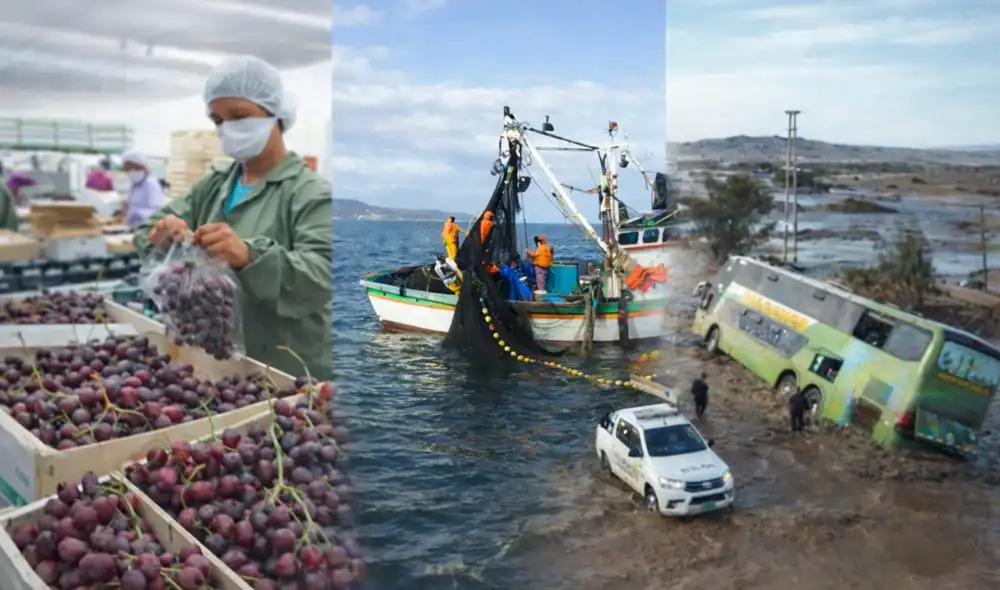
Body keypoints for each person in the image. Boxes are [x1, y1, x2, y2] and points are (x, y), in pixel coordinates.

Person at [132, 55, 332, 380]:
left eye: (239, 116)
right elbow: (147, 232)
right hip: (213, 361)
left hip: (285, 369)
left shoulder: (311, 194)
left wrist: (250, 256)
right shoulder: (216, 183)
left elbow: (324, 276)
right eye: (218, 120)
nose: (227, 129)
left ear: (276, 115)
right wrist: (161, 235)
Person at [121, 150, 168, 228]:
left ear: (142, 168)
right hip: (135, 227)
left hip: (149, 228)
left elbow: (158, 212)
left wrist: (138, 213)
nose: (131, 172)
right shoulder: (134, 186)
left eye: (134, 169)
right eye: (127, 169)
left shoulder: (152, 185)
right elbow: (130, 204)